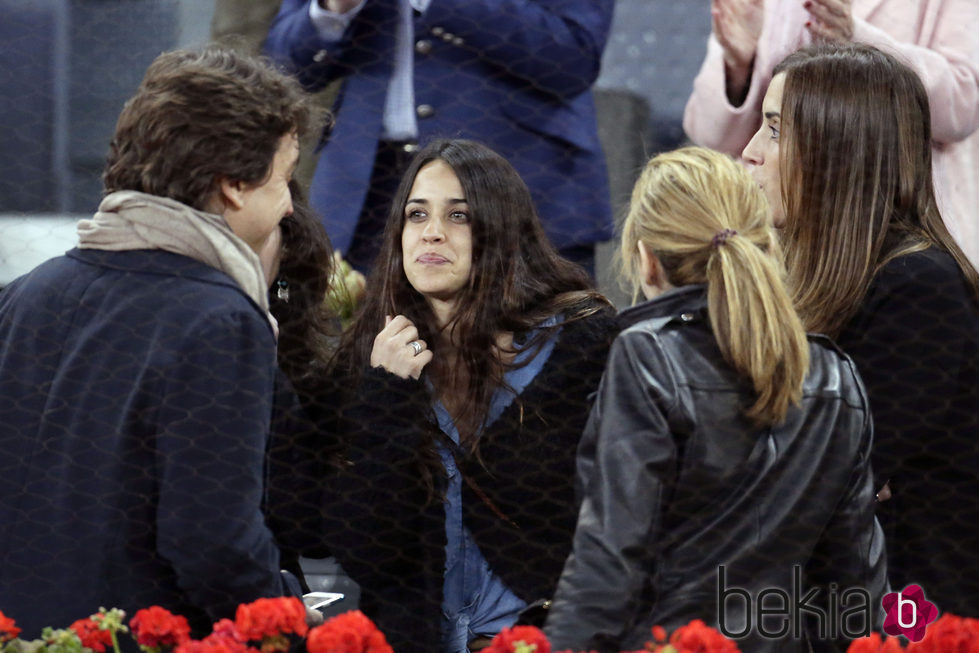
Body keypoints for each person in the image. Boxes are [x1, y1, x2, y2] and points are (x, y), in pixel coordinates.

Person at [0, 48, 320, 636]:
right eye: (283, 176)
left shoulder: (23, 295)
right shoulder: (221, 321)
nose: (289, 203)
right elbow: (213, 543)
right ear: (232, 186)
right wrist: (293, 618)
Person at [542, 146, 887, 653]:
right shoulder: (838, 375)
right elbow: (855, 587)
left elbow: (609, 561)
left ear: (646, 261)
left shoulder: (646, 356)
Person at [302, 139, 618, 652]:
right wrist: (387, 396)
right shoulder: (373, 358)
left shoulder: (580, 343)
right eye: (417, 214)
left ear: (499, 228)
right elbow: (363, 550)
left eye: (459, 216)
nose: (432, 232)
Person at [743, 41, 979, 617]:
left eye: (774, 130)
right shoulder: (801, 277)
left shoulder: (917, 288)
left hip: (912, 612)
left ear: (836, 149)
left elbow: (821, 479)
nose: (749, 153)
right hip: (823, 599)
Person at [261, 0, 615, 278]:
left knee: (534, 360)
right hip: (368, 197)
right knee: (373, 362)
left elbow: (573, 57)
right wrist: (334, 12)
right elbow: (283, 70)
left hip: (518, 189)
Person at [683, 0, 979, 266]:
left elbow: (963, 105)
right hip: (770, 240)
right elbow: (711, 134)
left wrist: (858, 44)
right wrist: (738, 67)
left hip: (885, 229)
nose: (751, 151)